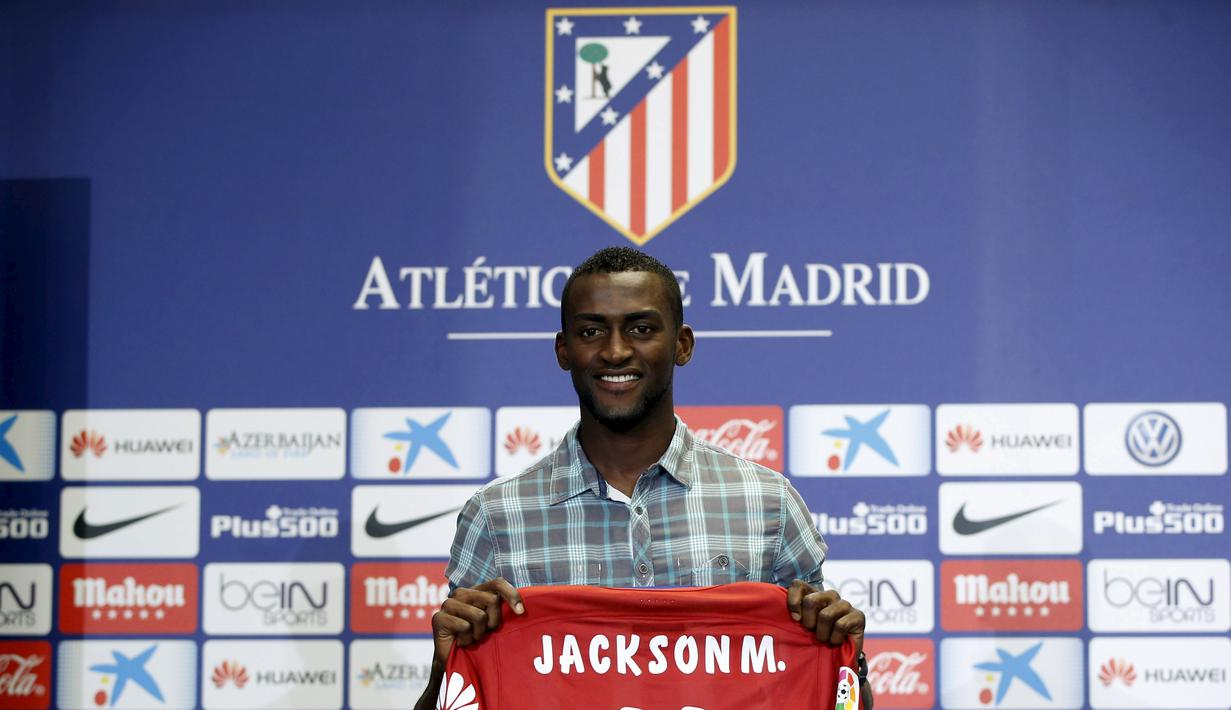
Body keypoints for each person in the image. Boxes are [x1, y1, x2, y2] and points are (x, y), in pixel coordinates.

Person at [416, 247, 872, 709]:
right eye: (591, 331)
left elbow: (831, 695)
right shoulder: (496, 516)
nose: (615, 351)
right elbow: (455, 694)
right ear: (563, 350)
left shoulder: (766, 502)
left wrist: (849, 661)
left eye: (641, 329)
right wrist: (444, 669)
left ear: (682, 345)